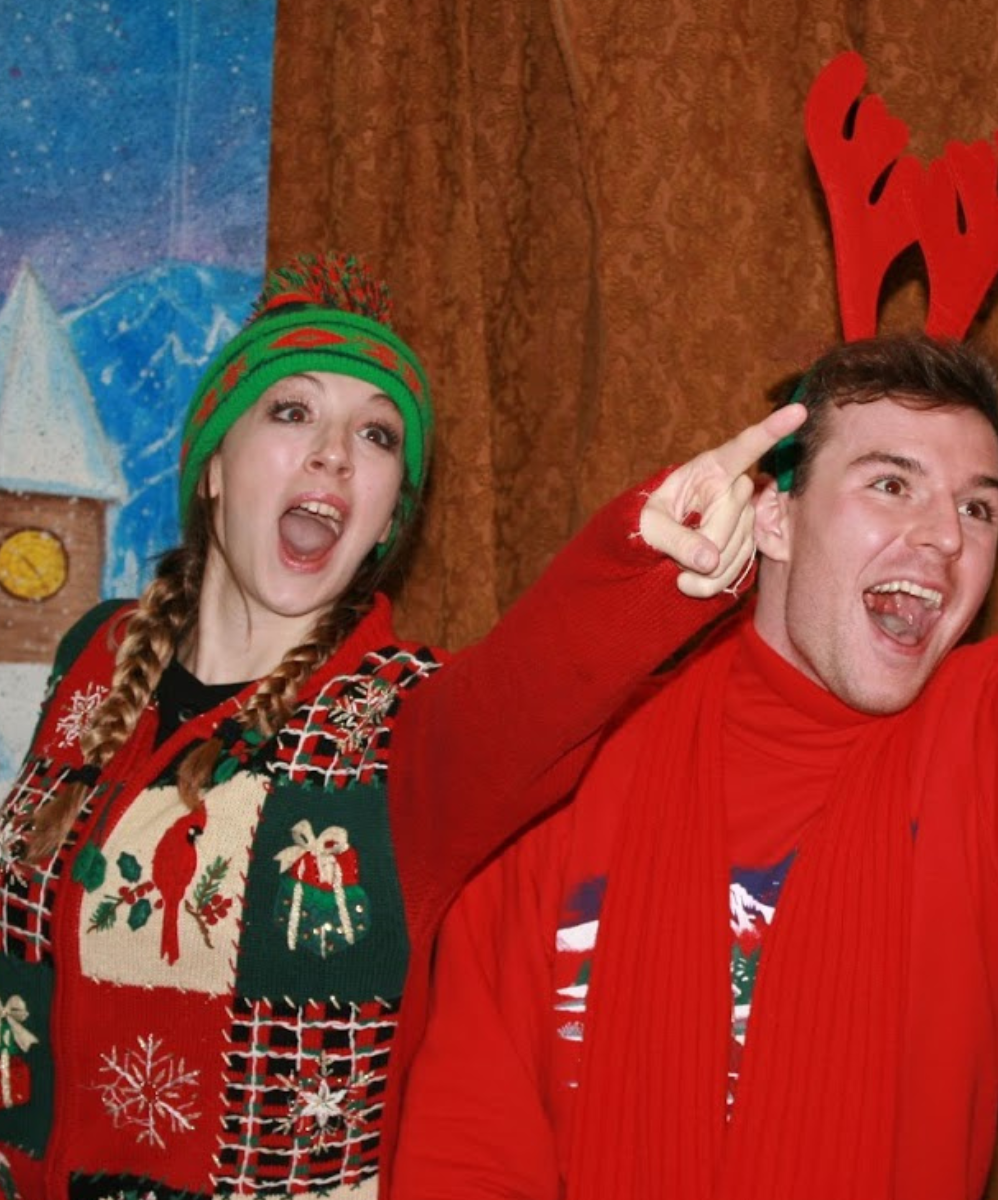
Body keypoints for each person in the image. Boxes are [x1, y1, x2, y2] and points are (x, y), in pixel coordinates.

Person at [0, 253, 803, 1199]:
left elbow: (541, 686)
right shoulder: (97, 653)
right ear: (212, 469)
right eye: (293, 412)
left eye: (377, 436)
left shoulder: (406, 723)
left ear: (385, 520)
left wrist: (646, 567)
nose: (335, 454)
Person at [393, 331, 998, 1200]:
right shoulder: (572, 761)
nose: (943, 539)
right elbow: (470, 1142)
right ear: (774, 514)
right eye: (892, 484)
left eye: (978, 509)